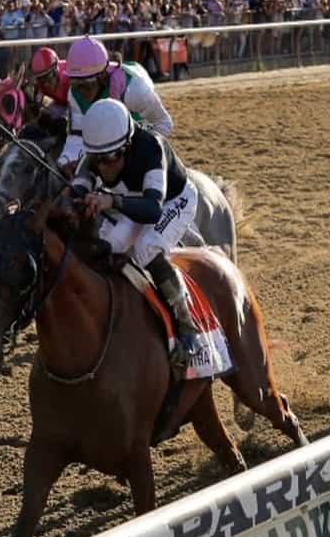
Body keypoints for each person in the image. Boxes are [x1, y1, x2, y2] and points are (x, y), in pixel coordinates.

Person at [70, 98, 200, 372]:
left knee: (145, 249)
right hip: (132, 200)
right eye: (97, 159)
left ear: (127, 145)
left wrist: (110, 201)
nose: (103, 166)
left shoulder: (150, 148)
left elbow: (152, 209)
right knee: (106, 247)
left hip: (173, 201)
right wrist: (80, 200)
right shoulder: (97, 150)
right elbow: (76, 191)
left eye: (110, 158)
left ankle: (186, 324)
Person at [58, 35, 173, 169]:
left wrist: (141, 155)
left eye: (87, 85)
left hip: (141, 123)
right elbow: (77, 137)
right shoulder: (74, 94)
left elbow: (164, 123)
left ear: (102, 77)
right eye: (76, 84)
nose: (81, 92)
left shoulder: (134, 90)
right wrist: (65, 161)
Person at [27, 46, 69, 124]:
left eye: (48, 77)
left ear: (56, 71)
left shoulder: (69, 78)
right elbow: (37, 109)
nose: (46, 84)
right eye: (41, 79)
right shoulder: (39, 86)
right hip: (61, 104)